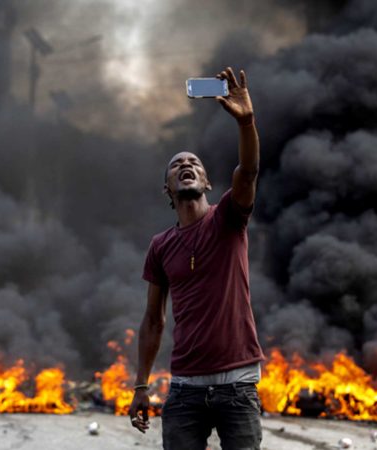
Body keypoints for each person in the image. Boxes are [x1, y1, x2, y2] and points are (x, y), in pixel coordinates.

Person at [129, 67, 265, 450]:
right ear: (167, 188)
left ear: (206, 182)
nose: (186, 165)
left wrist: (247, 122)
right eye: (177, 164)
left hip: (237, 385)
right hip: (185, 389)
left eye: (195, 163)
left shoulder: (228, 218)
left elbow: (249, 171)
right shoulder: (160, 245)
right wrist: (141, 385)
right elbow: (153, 320)